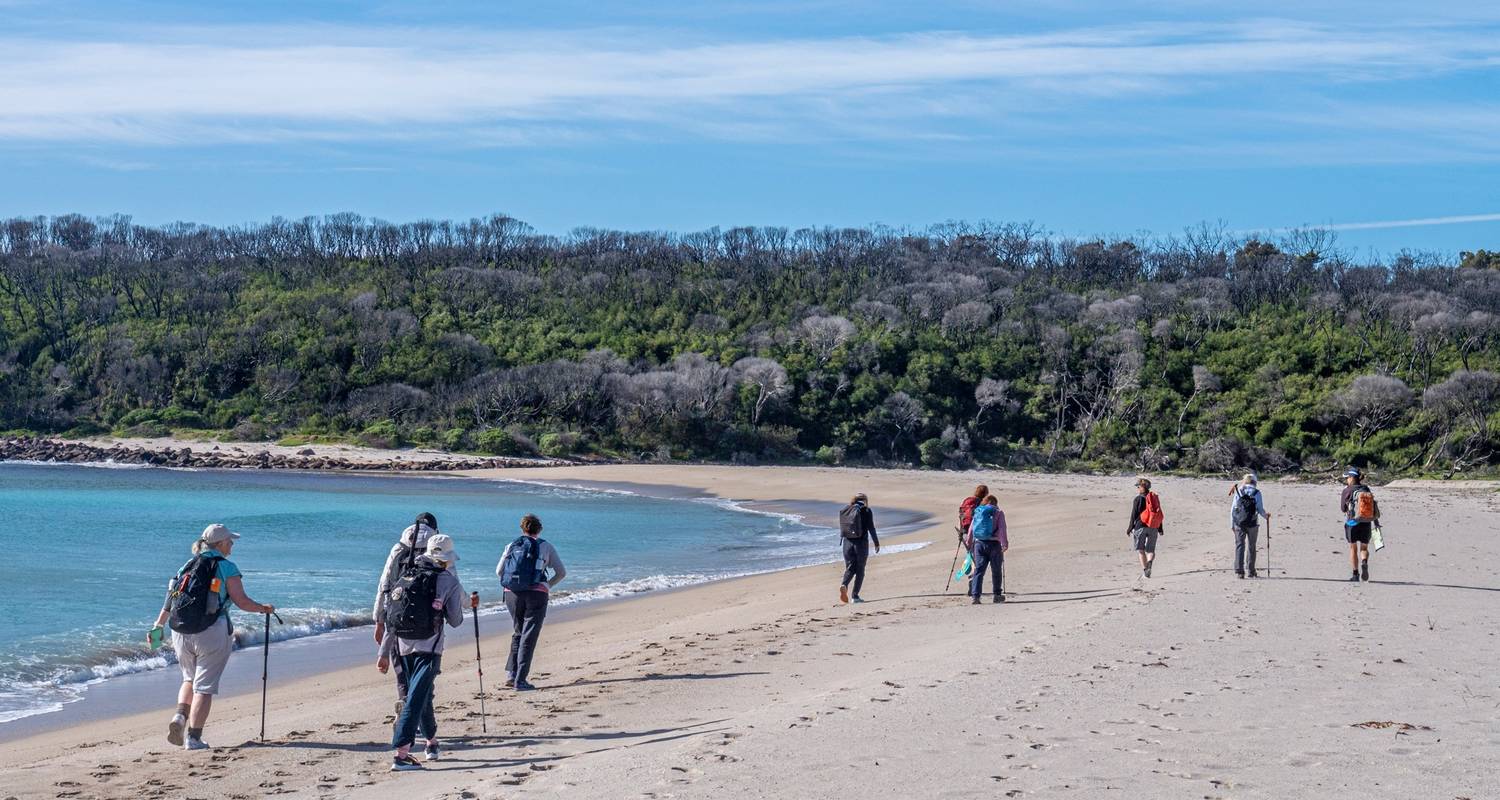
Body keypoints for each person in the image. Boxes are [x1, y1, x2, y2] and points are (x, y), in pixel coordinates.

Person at [150, 524, 275, 751]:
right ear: (219, 544)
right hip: (212, 632)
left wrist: (158, 627)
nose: (232, 544)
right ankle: (194, 738)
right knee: (204, 687)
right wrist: (263, 608)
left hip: (180, 631)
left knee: (189, 678)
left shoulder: (186, 566)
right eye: (229, 541)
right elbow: (241, 601)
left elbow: (170, 601)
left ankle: (179, 717)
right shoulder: (226, 567)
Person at [378, 533, 465, 771]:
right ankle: (402, 753)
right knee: (415, 698)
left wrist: (384, 652)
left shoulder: (405, 575)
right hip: (430, 648)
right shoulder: (448, 581)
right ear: (446, 558)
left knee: (421, 696)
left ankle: (431, 743)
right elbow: (456, 620)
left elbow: (392, 618)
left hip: (403, 646)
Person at [373, 513, 439, 721]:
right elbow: (447, 583)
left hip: (397, 616)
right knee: (424, 670)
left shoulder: (399, 548)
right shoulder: (436, 548)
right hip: (428, 621)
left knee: (402, 669)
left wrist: (379, 620)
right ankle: (418, 714)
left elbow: (384, 585)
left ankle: (405, 703)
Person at [496, 514, 566, 692]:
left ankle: (512, 675)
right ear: (539, 529)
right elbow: (561, 572)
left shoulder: (512, 545)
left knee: (518, 631)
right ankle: (521, 680)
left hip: (512, 593)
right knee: (529, 635)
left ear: (522, 528)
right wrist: (547, 585)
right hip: (536, 594)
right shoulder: (545, 546)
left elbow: (499, 572)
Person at [838, 492, 880, 603]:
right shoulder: (866, 510)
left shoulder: (847, 509)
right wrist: (876, 542)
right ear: (865, 500)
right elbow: (871, 528)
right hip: (861, 543)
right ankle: (855, 596)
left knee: (850, 567)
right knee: (860, 569)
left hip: (847, 543)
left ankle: (844, 584)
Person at [966, 494, 1008, 604]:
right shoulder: (998, 512)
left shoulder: (978, 511)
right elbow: (1002, 528)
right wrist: (1004, 543)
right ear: (995, 503)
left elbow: (971, 528)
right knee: (996, 570)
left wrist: (969, 542)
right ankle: (997, 595)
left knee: (979, 570)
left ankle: (976, 596)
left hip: (979, 543)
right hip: (994, 544)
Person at [1340, 468, 1380, 582]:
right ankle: (1364, 562)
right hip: (1366, 522)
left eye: (1347, 477)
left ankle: (1355, 574)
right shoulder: (1366, 489)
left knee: (1353, 548)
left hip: (1352, 522)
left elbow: (1343, 509)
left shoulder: (1347, 490)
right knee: (1364, 547)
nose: (1346, 480)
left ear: (1352, 478)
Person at [1228, 474, 1271, 578]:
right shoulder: (1257, 493)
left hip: (1239, 523)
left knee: (1240, 545)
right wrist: (1266, 516)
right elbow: (1260, 509)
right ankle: (1251, 571)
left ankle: (1239, 572)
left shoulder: (1239, 491)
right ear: (1255, 482)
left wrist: (1232, 524)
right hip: (1253, 523)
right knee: (1252, 546)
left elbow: (1233, 509)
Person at [1127, 478, 1164, 578]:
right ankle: (1150, 562)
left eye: (1138, 486)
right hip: (1153, 526)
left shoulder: (1138, 499)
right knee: (1151, 550)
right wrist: (1160, 528)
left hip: (1140, 526)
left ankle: (1145, 570)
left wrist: (1130, 527)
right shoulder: (1154, 498)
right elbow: (1158, 513)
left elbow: (1134, 514)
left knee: (1141, 550)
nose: (1137, 488)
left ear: (1142, 487)